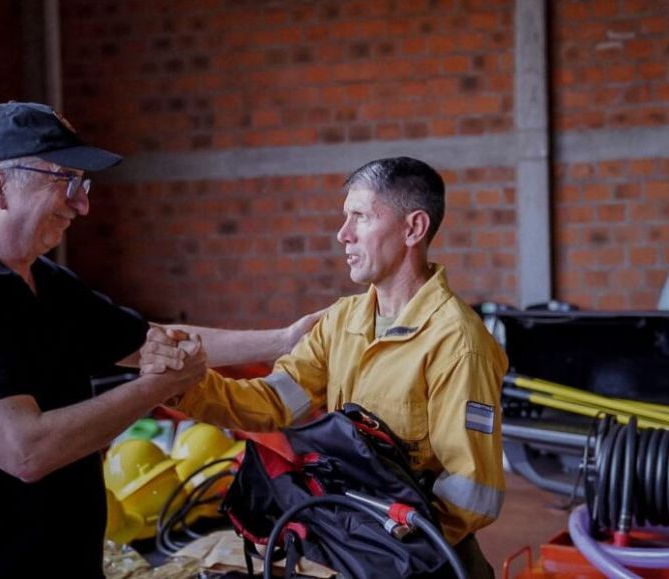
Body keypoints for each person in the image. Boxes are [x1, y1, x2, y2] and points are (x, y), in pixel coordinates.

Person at [0, 101, 319, 579]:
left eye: (83, 184)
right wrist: (156, 387)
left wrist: (285, 340)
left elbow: (155, 341)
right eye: (65, 182)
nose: (82, 204)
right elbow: (26, 451)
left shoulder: (45, 281)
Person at [143, 156, 509, 577]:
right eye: (344, 218)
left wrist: (386, 547)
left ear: (413, 229)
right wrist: (183, 387)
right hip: (356, 539)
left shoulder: (458, 342)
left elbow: (472, 492)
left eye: (360, 217)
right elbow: (272, 401)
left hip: (424, 559)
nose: (343, 234)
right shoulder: (342, 320)